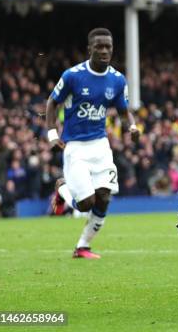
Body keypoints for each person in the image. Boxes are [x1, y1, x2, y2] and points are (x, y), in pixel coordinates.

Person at [46, 28, 140, 259]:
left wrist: (132, 126)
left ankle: (82, 247)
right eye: (99, 46)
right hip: (75, 147)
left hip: (100, 145)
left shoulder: (117, 80)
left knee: (105, 197)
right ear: (90, 49)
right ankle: (61, 187)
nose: (105, 50)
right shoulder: (73, 76)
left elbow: (123, 110)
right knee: (86, 204)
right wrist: (51, 134)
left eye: (108, 46)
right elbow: (51, 103)